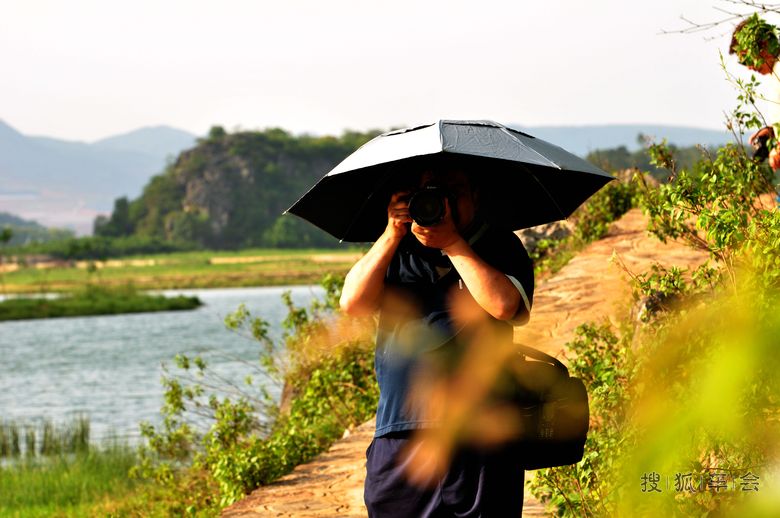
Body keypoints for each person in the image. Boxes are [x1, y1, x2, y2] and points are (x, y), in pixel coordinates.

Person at [340, 164, 534, 517]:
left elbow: (505, 306)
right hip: (401, 429)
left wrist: (453, 244)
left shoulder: (500, 245)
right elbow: (352, 304)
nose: (440, 201)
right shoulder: (397, 252)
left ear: (475, 196)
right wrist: (390, 234)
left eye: (452, 191)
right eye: (429, 192)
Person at [730, 15, 780, 172]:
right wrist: (772, 131)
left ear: (763, 45)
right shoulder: (774, 74)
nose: (749, 68)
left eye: (747, 59)